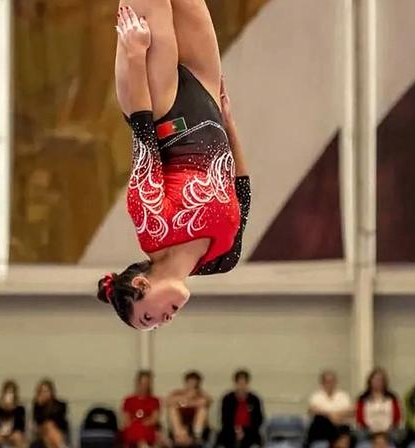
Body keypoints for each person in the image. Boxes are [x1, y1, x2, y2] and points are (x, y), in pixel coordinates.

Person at [97, 0, 252, 330]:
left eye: (148, 317)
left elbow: (145, 142)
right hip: (206, 97)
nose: (162, 321)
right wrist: (229, 124)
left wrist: (136, 57)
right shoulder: (222, 261)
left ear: (141, 286)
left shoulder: (155, 231)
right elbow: (243, 191)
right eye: (155, 324)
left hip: (157, 107)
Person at [216, 370, 263, 448]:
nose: (241, 386)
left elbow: (259, 419)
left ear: (247, 384)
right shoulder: (227, 398)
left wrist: (244, 431)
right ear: (235, 384)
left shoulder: (254, 399)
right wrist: (236, 430)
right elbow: (225, 419)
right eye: (239, 384)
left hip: (250, 433)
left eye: (244, 384)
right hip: (230, 431)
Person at [307, 370, 353, 446]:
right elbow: (313, 409)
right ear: (322, 383)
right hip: (322, 429)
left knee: (344, 433)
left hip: (340, 427)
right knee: (320, 420)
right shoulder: (316, 396)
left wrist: (334, 415)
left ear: (336, 382)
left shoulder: (343, 395)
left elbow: (350, 411)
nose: (330, 383)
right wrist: (331, 415)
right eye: (327, 381)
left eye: (332, 381)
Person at [167, 371, 212, 448]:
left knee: (203, 410)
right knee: (172, 409)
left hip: (195, 425)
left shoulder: (202, 394)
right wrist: (188, 399)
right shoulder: (178, 393)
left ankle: (196, 435)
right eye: (190, 383)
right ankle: (180, 436)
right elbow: (169, 401)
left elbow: (206, 401)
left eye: (194, 384)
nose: (192, 386)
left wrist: (184, 403)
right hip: (180, 425)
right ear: (186, 383)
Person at [356, 368, 401, 444]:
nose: (378, 382)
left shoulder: (392, 397)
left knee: (398, 435)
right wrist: (374, 433)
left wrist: (385, 432)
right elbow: (360, 419)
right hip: (368, 431)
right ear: (370, 381)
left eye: (380, 380)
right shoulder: (362, 398)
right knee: (359, 435)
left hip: (389, 431)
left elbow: (397, 418)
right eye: (375, 380)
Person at [122, 371, 161, 448]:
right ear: (137, 383)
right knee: (134, 428)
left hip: (147, 429)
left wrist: (143, 423)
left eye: (146, 384)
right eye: (142, 383)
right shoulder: (128, 400)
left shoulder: (154, 400)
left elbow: (154, 419)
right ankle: (142, 444)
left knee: (142, 429)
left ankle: (142, 444)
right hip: (132, 429)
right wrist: (136, 423)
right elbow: (126, 419)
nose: (144, 386)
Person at [0, 380, 27, 448]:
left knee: (18, 436)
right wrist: (3, 408)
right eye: (7, 392)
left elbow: (21, 428)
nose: (9, 395)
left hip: (13, 436)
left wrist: (12, 409)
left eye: (11, 392)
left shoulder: (20, 409)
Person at [32, 379, 69, 448]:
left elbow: (60, 421)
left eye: (46, 391)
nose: (44, 394)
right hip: (42, 431)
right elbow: (38, 422)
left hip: (58, 431)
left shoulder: (60, 405)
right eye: (42, 391)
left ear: (51, 392)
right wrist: (40, 406)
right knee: (48, 426)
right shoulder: (37, 406)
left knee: (50, 431)